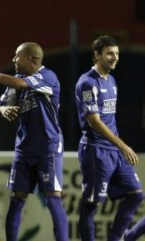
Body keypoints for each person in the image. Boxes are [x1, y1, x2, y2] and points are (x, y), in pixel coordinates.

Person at [0, 42, 68, 241]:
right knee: (16, 200)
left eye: (17, 56)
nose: (14, 59)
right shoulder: (17, 79)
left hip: (47, 147)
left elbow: (21, 85)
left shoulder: (47, 77)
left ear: (31, 58)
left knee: (52, 198)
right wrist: (4, 110)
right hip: (24, 149)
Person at [75, 35, 143, 241]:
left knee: (136, 194)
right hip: (96, 150)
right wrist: (122, 145)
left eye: (117, 54)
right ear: (97, 55)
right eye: (110, 54)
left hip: (115, 151)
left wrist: (119, 147)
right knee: (92, 203)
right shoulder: (87, 82)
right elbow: (94, 121)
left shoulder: (111, 80)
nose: (114, 58)